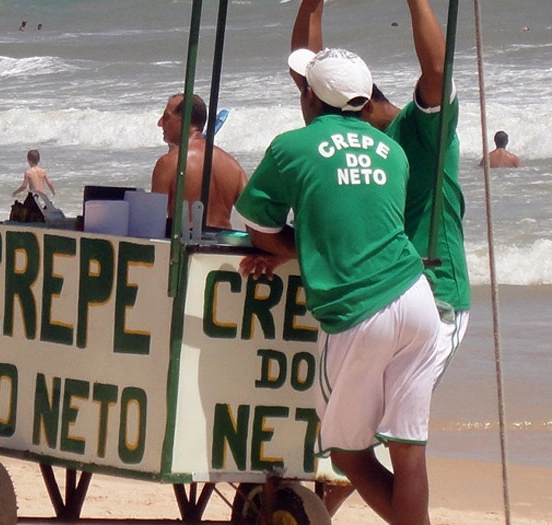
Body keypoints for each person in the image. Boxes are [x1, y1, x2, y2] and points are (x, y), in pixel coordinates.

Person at [234, 47, 441, 525]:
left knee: (347, 455)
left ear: (309, 95)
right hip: (416, 299)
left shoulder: (291, 147)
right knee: (410, 454)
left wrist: (297, 251)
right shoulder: (392, 150)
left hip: (358, 310)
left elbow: (257, 227)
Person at [291, 0, 470, 383]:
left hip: (435, 294)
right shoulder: (351, 136)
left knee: (393, 427)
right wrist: (312, 6)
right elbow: (305, 70)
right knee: (366, 429)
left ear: (364, 104)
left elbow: (438, 71)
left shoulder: (421, 132)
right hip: (378, 295)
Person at [151, 93, 247, 230]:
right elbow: (254, 219)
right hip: (225, 248)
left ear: (185, 120)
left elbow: (154, 222)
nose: (160, 123)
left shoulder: (169, 163)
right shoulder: (233, 165)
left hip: (186, 247)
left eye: (166, 117)